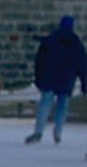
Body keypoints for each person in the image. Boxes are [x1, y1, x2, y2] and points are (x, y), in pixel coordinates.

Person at [24, 15, 87, 145]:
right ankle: (57, 134)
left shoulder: (49, 41)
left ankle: (38, 131)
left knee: (45, 103)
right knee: (62, 106)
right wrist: (84, 84)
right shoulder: (76, 44)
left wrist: (38, 77)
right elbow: (83, 66)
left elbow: (39, 61)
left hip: (49, 76)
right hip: (67, 79)